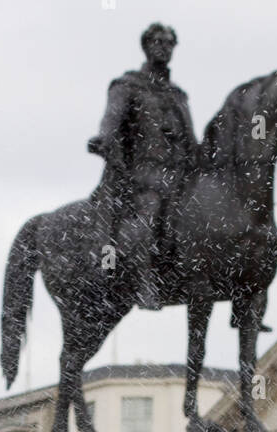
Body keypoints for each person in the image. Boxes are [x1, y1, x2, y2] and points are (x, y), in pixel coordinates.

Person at [88, 23, 197, 309]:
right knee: (150, 212)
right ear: (146, 46)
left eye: (170, 43)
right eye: (158, 41)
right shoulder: (128, 85)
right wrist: (103, 138)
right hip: (141, 172)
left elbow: (191, 142)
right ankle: (145, 280)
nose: (164, 47)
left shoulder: (178, 95)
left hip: (178, 173)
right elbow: (110, 122)